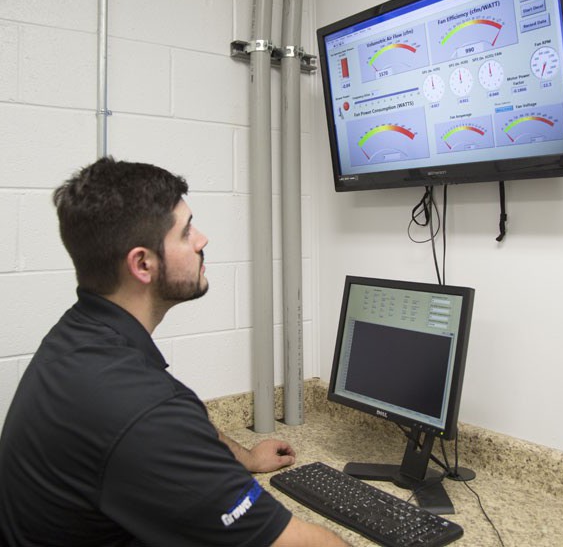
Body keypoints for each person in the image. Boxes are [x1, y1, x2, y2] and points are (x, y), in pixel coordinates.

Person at [0, 157, 349, 547]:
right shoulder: (145, 410)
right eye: (185, 233)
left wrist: (247, 459)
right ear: (143, 264)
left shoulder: (77, 336)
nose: (202, 240)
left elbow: (182, 430)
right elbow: (298, 543)